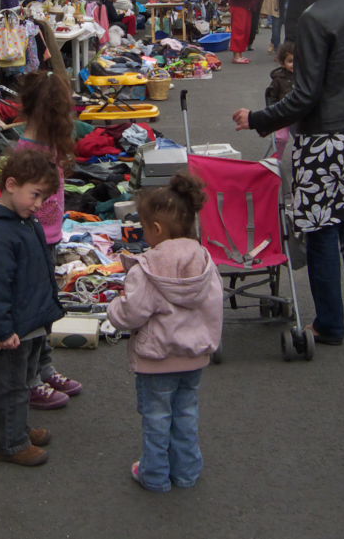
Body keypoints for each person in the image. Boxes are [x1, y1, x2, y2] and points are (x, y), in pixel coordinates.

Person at [232, 0, 344, 346]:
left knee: (320, 229)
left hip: (324, 137)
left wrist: (259, 117)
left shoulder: (317, 16)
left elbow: (306, 93)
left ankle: (329, 323)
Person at [105, 173, 223, 493]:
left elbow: (132, 313)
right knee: (186, 412)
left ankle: (155, 475)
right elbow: (213, 303)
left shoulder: (149, 268)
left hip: (157, 358)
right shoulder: (204, 260)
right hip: (194, 354)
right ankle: (186, 472)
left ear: (156, 229)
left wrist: (113, 310)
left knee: (156, 418)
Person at [0, 147, 68, 467]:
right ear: (11, 185)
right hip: (13, 328)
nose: (38, 205)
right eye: (35, 195)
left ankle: (19, 430)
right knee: (11, 385)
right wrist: (1, 329)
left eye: (43, 198)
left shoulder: (25, 221)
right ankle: (10, 443)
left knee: (24, 381)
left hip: (30, 320)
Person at [11, 72, 86, 410]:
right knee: (31, 314)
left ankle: (44, 369)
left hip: (49, 239)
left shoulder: (48, 146)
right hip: (31, 242)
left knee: (46, 310)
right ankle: (30, 381)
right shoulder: (30, 152)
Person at [265, 41, 296, 107]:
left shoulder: (305, 77)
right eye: (290, 61)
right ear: (283, 63)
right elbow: (271, 98)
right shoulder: (278, 79)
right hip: (284, 112)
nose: (294, 64)